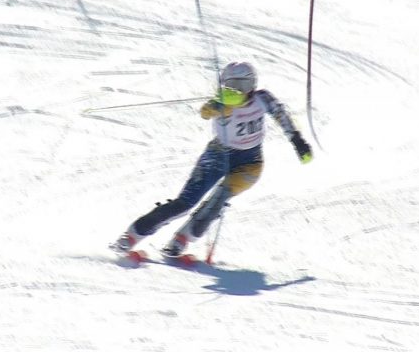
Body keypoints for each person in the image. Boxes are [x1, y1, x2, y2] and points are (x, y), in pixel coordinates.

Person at [112, 61, 313, 257]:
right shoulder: (222, 103)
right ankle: (132, 235)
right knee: (185, 203)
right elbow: (205, 112)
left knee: (218, 200)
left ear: (252, 85)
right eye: (232, 85)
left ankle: (183, 238)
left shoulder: (263, 99)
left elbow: (281, 115)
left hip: (250, 163)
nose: (238, 91)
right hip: (218, 155)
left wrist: (297, 140)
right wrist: (216, 107)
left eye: (243, 85)